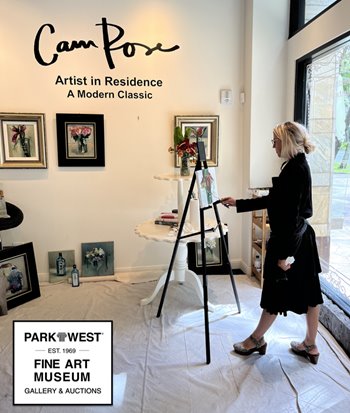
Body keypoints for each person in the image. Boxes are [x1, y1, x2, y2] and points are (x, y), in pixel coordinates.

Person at [221, 121, 323, 364]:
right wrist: (239, 203)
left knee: (275, 293)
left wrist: (285, 255)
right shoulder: (295, 165)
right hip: (300, 239)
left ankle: (257, 340)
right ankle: (310, 345)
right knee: (311, 293)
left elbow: (297, 215)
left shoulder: (295, 169)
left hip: (291, 241)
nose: (273, 145)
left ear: (286, 141)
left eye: (275, 140)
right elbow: (275, 200)